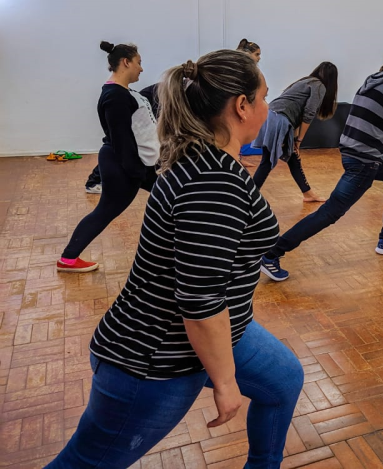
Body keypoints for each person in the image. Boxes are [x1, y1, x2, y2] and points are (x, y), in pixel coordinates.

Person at [46, 49, 304, 469]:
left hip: (223, 329)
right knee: (87, 463)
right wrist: (224, 382)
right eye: (263, 98)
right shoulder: (214, 183)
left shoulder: (206, 160)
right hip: (155, 358)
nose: (267, 108)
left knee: (284, 380)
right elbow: (200, 304)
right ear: (242, 106)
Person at [260, 43, 383, 282]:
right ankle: (272, 254)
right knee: (330, 212)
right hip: (365, 159)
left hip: (353, 150)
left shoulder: (371, 80)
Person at [57, 42, 158, 273]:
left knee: (174, 197)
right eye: (139, 63)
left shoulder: (122, 93)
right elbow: (122, 140)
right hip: (125, 165)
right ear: (126, 62)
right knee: (105, 211)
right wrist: (139, 173)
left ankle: (68, 258)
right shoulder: (115, 96)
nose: (141, 69)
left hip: (134, 164)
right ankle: (68, 259)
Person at [251, 62, 338, 202]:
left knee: (292, 157)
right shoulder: (319, 86)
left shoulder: (305, 81)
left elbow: (296, 114)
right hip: (280, 119)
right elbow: (308, 113)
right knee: (267, 161)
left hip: (270, 116)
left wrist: (295, 140)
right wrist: (299, 140)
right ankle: (250, 197)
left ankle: (308, 193)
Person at [84, 82, 161, 194]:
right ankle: (94, 181)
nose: (141, 69)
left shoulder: (184, 86)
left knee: (119, 145)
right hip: (144, 107)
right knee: (119, 145)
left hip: (146, 106)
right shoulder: (178, 87)